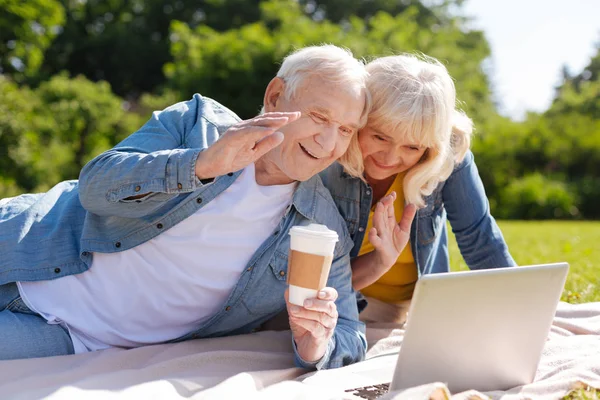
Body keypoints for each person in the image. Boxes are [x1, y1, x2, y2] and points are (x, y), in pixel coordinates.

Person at [0, 44, 370, 368]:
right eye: (320, 117)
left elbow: (350, 332)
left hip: (73, 337)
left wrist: (316, 343)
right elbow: (95, 187)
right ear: (275, 96)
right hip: (24, 248)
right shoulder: (197, 123)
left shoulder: (321, 227)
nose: (328, 142)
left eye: (346, 130)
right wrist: (202, 164)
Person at [320, 54, 517, 324]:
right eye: (379, 136)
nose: (389, 159)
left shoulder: (448, 156)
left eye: (412, 147)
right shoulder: (327, 153)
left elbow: (478, 236)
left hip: (421, 307)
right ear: (358, 120)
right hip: (343, 300)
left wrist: (519, 307)